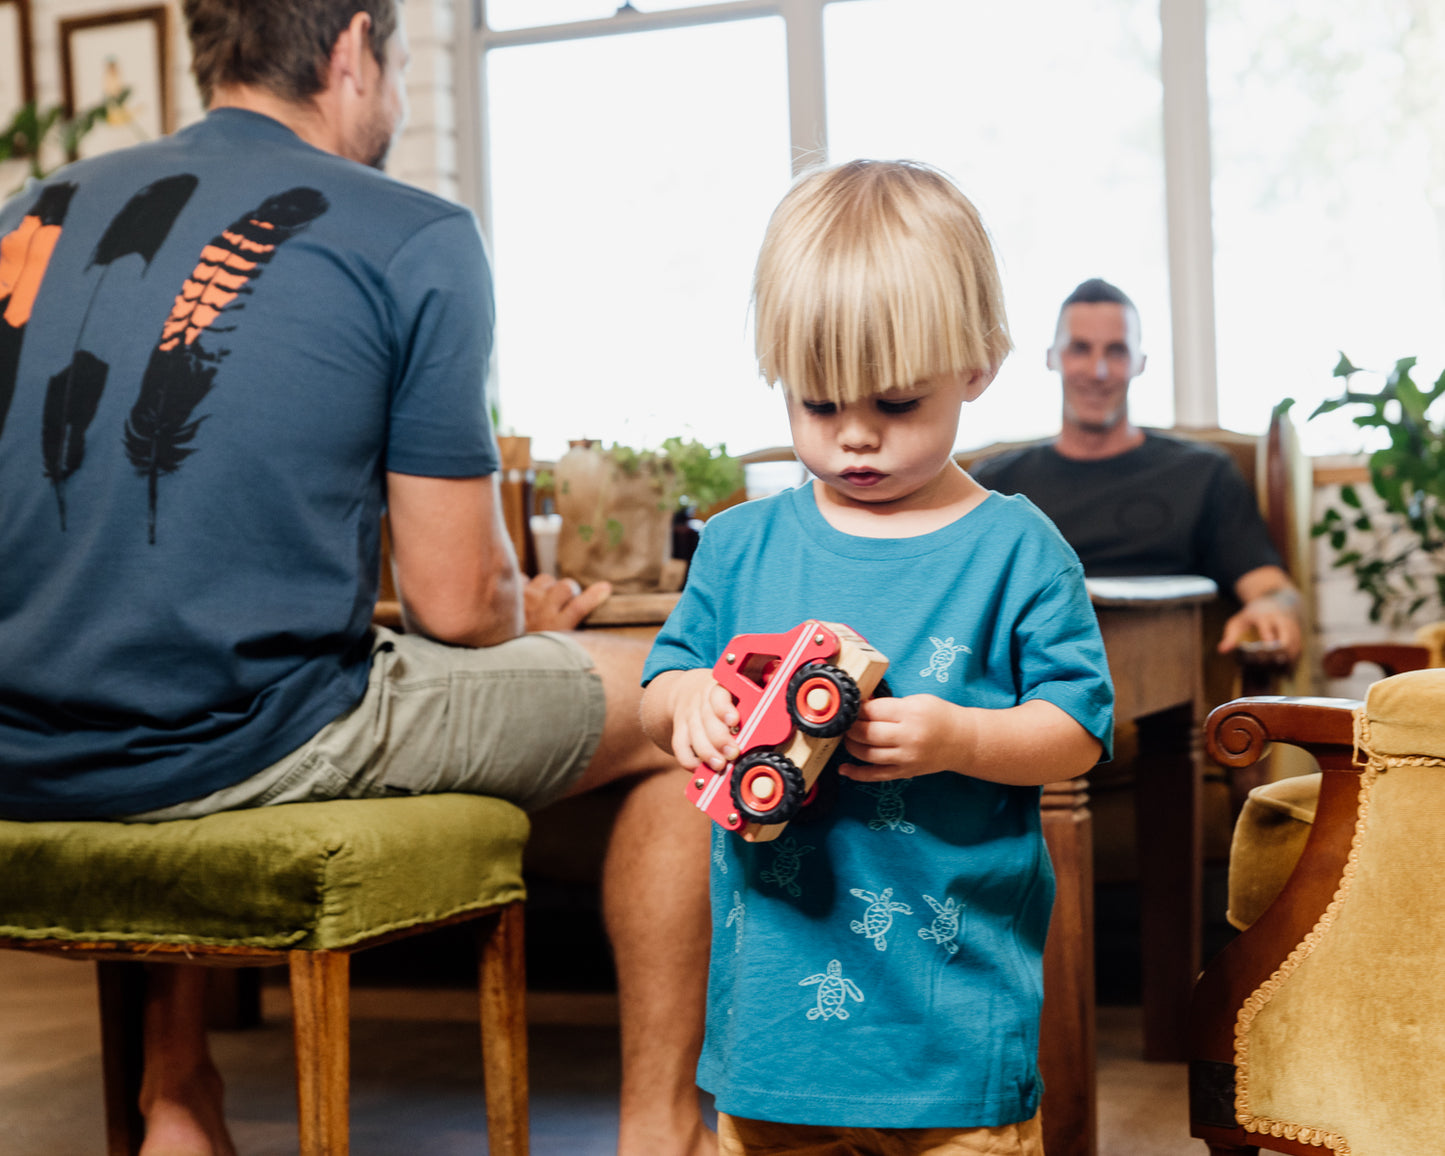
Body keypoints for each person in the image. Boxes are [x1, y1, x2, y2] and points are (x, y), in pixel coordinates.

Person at [0, 3, 712, 1154]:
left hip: (24, 754)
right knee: (691, 696)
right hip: (243, 746)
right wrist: (517, 612)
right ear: (352, 50)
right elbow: (452, 603)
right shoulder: (411, 232)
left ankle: (176, 1091)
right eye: (404, 65)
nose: (400, 94)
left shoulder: (30, 212)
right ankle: (659, 1134)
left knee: (176, 658)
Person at [639, 160, 1115, 1155]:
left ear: (977, 365)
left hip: (952, 1036)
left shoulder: (1017, 550)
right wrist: (684, 703)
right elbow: (664, 681)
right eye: (817, 405)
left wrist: (960, 737)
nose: (854, 437)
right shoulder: (737, 546)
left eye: (895, 405)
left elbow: (1075, 731)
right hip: (773, 1036)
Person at [971, 277, 1304, 662]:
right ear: (1052, 357)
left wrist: (1273, 607)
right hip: (1030, 678)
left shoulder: (1202, 473)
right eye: (1080, 349)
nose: (1098, 370)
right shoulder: (995, 484)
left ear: (1140, 363)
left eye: (1116, 351)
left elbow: (1272, 588)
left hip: (1167, 675)